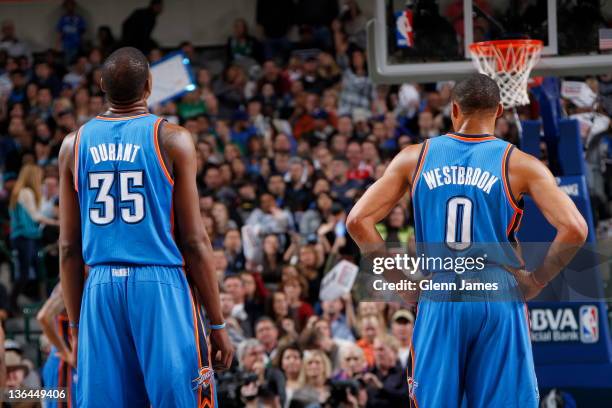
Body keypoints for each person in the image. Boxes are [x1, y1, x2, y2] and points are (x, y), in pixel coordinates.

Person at [347, 74, 588, 407]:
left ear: (454, 109)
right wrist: (536, 281)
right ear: (500, 110)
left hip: (441, 287)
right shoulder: (521, 164)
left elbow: (358, 221)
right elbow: (575, 228)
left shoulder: (413, 158)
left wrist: (398, 280)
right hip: (497, 288)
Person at [58, 47, 233, 407]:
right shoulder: (173, 139)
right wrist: (216, 325)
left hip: (100, 289)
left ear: (101, 83)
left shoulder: (72, 146)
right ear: (150, 85)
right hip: (160, 285)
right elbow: (196, 241)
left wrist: (77, 327)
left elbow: (68, 249)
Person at [9, 164, 58, 311]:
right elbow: (35, 216)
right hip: (23, 237)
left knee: (38, 268)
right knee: (24, 274)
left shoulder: (21, 192)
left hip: (26, 237)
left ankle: (42, 300)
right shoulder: (26, 192)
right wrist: (56, 223)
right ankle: (12, 304)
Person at [37, 284, 76, 408]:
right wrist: (65, 352)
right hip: (63, 365)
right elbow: (43, 317)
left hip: (72, 363)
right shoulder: (66, 286)